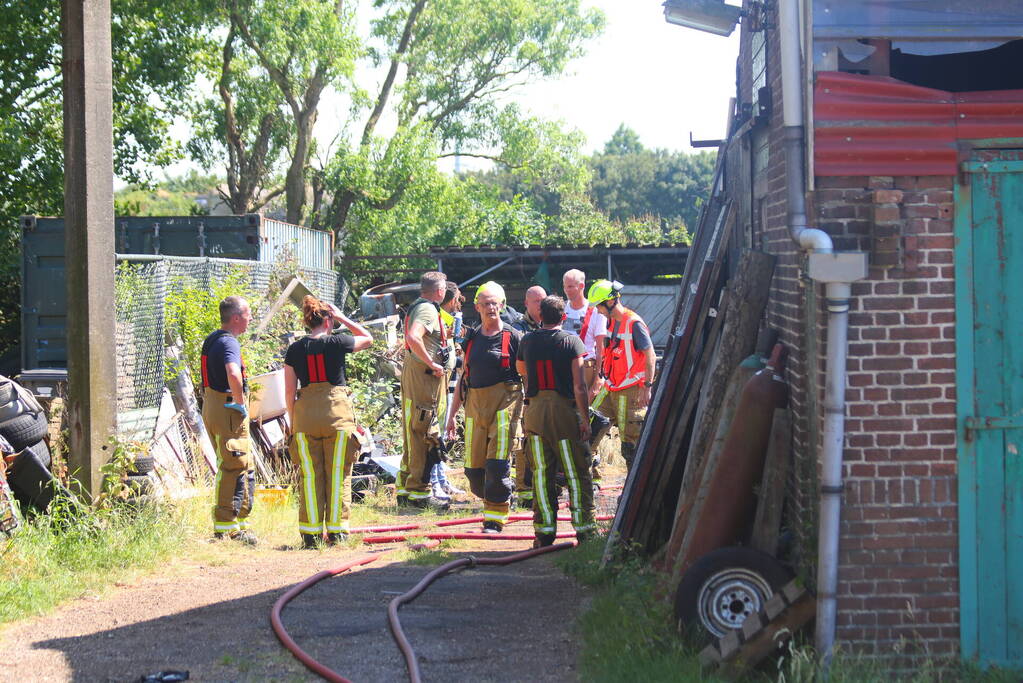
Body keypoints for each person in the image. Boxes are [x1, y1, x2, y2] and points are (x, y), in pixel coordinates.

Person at [283, 297, 373, 548]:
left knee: (310, 476)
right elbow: (368, 337)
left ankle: (310, 536)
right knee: (338, 474)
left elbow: (289, 393)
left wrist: (294, 423)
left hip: (305, 416)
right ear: (328, 319)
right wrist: (343, 318)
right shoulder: (338, 342)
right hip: (336, 414)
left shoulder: (294, 349)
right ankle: (337, 532)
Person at [516, 295, 594, 547]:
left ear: (539, 316)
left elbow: (521, 369)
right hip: (564, 413)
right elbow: (580, 386)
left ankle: (544, 532)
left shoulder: (527, 341)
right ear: (563, 317)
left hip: (535, 412)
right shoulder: (572, 341)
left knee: (541, 473)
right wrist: (585, 419)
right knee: (575, 471)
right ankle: (584, 530)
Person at [444, 281, 523, 533]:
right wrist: (451, 415)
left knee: (498, 465)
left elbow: (527, 377)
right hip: (474, 408)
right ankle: (495, 496)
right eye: (486, 303)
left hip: (505, 407)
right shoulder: (471, 339)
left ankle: (494, 519)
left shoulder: (514, 337)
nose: (491, 308)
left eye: (495, 303)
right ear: (477, 307)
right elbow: (462, 378)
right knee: (474, 473)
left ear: (502, 305)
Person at [200, 295, 257, 544]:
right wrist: (240, 402)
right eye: (248, 315)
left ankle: (238, 525)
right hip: (227, 410)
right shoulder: (229, 343)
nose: (250, 319)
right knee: (233, 465)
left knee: (241, 464)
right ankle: (225, 528)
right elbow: (233, 372)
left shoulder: (212, 339)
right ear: (236, 318)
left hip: (214, 405)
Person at [587, 279, 657, 471]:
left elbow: (650, 355)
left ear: (610, 302)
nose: (597, 311)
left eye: (599, 306)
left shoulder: (634, 323)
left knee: (630, 445)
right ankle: (589, 472)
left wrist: (647, 386)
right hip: (611, 386)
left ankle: (632, 492)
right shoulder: (610, 321)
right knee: (591, 425)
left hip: (632, 390)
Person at [397, 272, 451, 510]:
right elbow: (413, 336)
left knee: (414, 431)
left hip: (418, 381)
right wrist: (432, 363)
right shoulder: (428, 310)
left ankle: (405, 487)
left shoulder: (419, 306)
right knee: (424, 433)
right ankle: (419, 493)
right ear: (440, 292)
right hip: (425, 383)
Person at [562, 269, 609, 484]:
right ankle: (579, 465)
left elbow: (600, 346)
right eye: (565, 286)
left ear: (581, 286)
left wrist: (599, 377)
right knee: (570, 417)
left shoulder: (595, 312)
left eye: (571, 286)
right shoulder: (562, 309)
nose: (567, 290)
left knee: (587, 417)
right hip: (565, 367)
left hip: (587, 367)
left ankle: (589, 466)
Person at [509, 285, 546, 508]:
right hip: (524, 392)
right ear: (527, 304)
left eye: (543, 301)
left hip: (544, 391)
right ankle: (524, 490)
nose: (540, 306)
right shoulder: (518, 328)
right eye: (536, 302)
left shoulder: (548, 324)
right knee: (524, 441)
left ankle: (541, 485)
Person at [432, 281, 465, 500]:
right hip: (438, 386)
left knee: (443, 435)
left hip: (450, 384)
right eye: (458, 299)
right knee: (435, 436)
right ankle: (434, 482)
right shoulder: (438, 320)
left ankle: (442, 479)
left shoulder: (450, 321)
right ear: (451, 300)